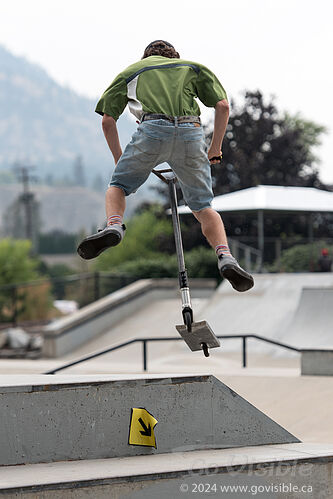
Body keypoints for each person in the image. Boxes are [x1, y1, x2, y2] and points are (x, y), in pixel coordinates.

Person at [77, 40, 254, 292]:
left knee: (117, 186)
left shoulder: (134, 71)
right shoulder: (192, 67)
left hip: (152, 131)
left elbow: (107, 121)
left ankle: (114, 225)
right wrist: (215, 148)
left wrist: (120, 161)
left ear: (147, 56)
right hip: (191, 133)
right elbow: (223, 106)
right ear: (174, 56)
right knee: (203, 207)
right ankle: (225, 256)